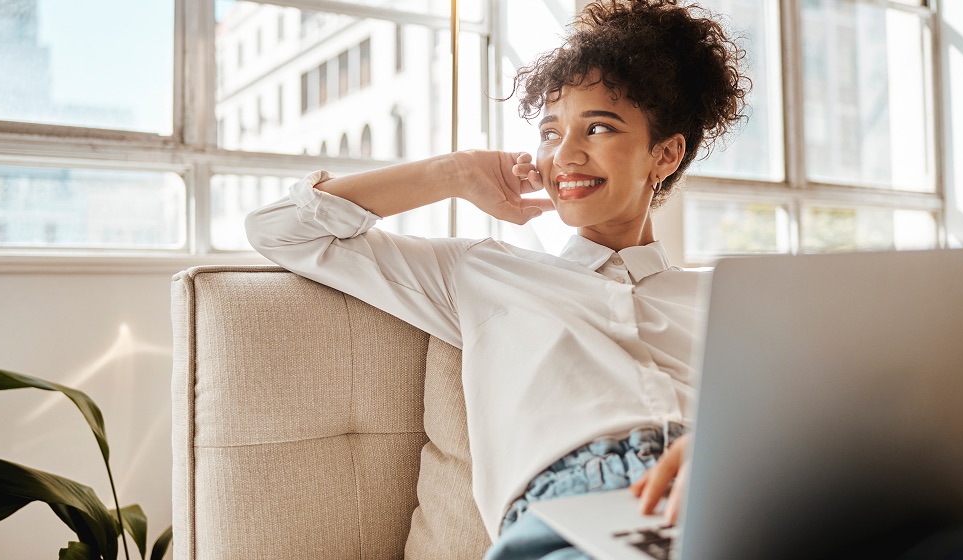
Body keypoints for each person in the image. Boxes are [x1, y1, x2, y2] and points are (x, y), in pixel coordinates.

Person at [245, 1, 747, 557]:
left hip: (725, 498)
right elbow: (283, 231)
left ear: (666, 154)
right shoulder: (481, 271)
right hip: (568, 514)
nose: (566, 155)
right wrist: (453, 172)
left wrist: (730, 451)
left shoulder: (730, 302)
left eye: (598, 128)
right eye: (550, 133)